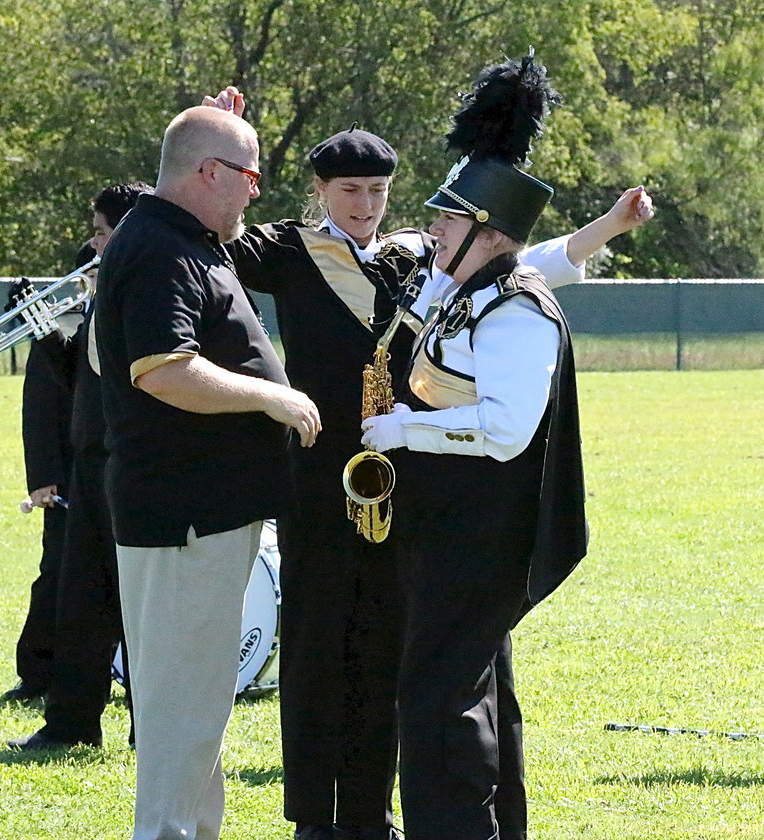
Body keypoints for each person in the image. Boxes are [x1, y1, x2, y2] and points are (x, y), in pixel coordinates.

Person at [203, 84, 652, 840]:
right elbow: (206, 229)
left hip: (410, 485)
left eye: (379, 191)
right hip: (322, 478)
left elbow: (523, 262)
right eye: (350, 191)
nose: (367, 205)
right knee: (320, 651)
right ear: (319, 190)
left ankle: (394, 813)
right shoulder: (288, 248)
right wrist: (225, 142)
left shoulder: (422, 255)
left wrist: (605, 227)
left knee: (405, 658)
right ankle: (324, 814)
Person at [359, 55, 587, 840]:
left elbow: (505, 430)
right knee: (480, 692)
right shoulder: (469, 293)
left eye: (450, 224)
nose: (434, 233)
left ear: (489, 234)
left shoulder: (517, 309)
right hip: (453, 525)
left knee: (436, 701)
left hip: (485, 532)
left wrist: (402, 430)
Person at [94, 105, 319, 840]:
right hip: (183, 521)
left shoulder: (181, 234)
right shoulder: (160, 245)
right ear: (211, 174)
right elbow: (164, 370)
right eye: (249, 175)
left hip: (200, 518)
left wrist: (219, 122)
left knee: (195, 718)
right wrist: (275, 396)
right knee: (179, 720)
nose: (256, 193)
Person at [8, 181, 153, 751]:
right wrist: (44, 331)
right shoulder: (99, 292)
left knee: (141, 608)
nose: (91, 246)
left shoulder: (144, 291)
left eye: (100, 232)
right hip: (90, 465)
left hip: (136, 466)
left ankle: (151, 727)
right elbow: (77, 380)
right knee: (82, 600)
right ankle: (71, 722)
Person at [2, 265, 78, 703]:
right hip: (69, 474)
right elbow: (40, 403)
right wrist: (43, 477)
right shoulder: (59, 327)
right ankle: (37, 670)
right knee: (56, 573)